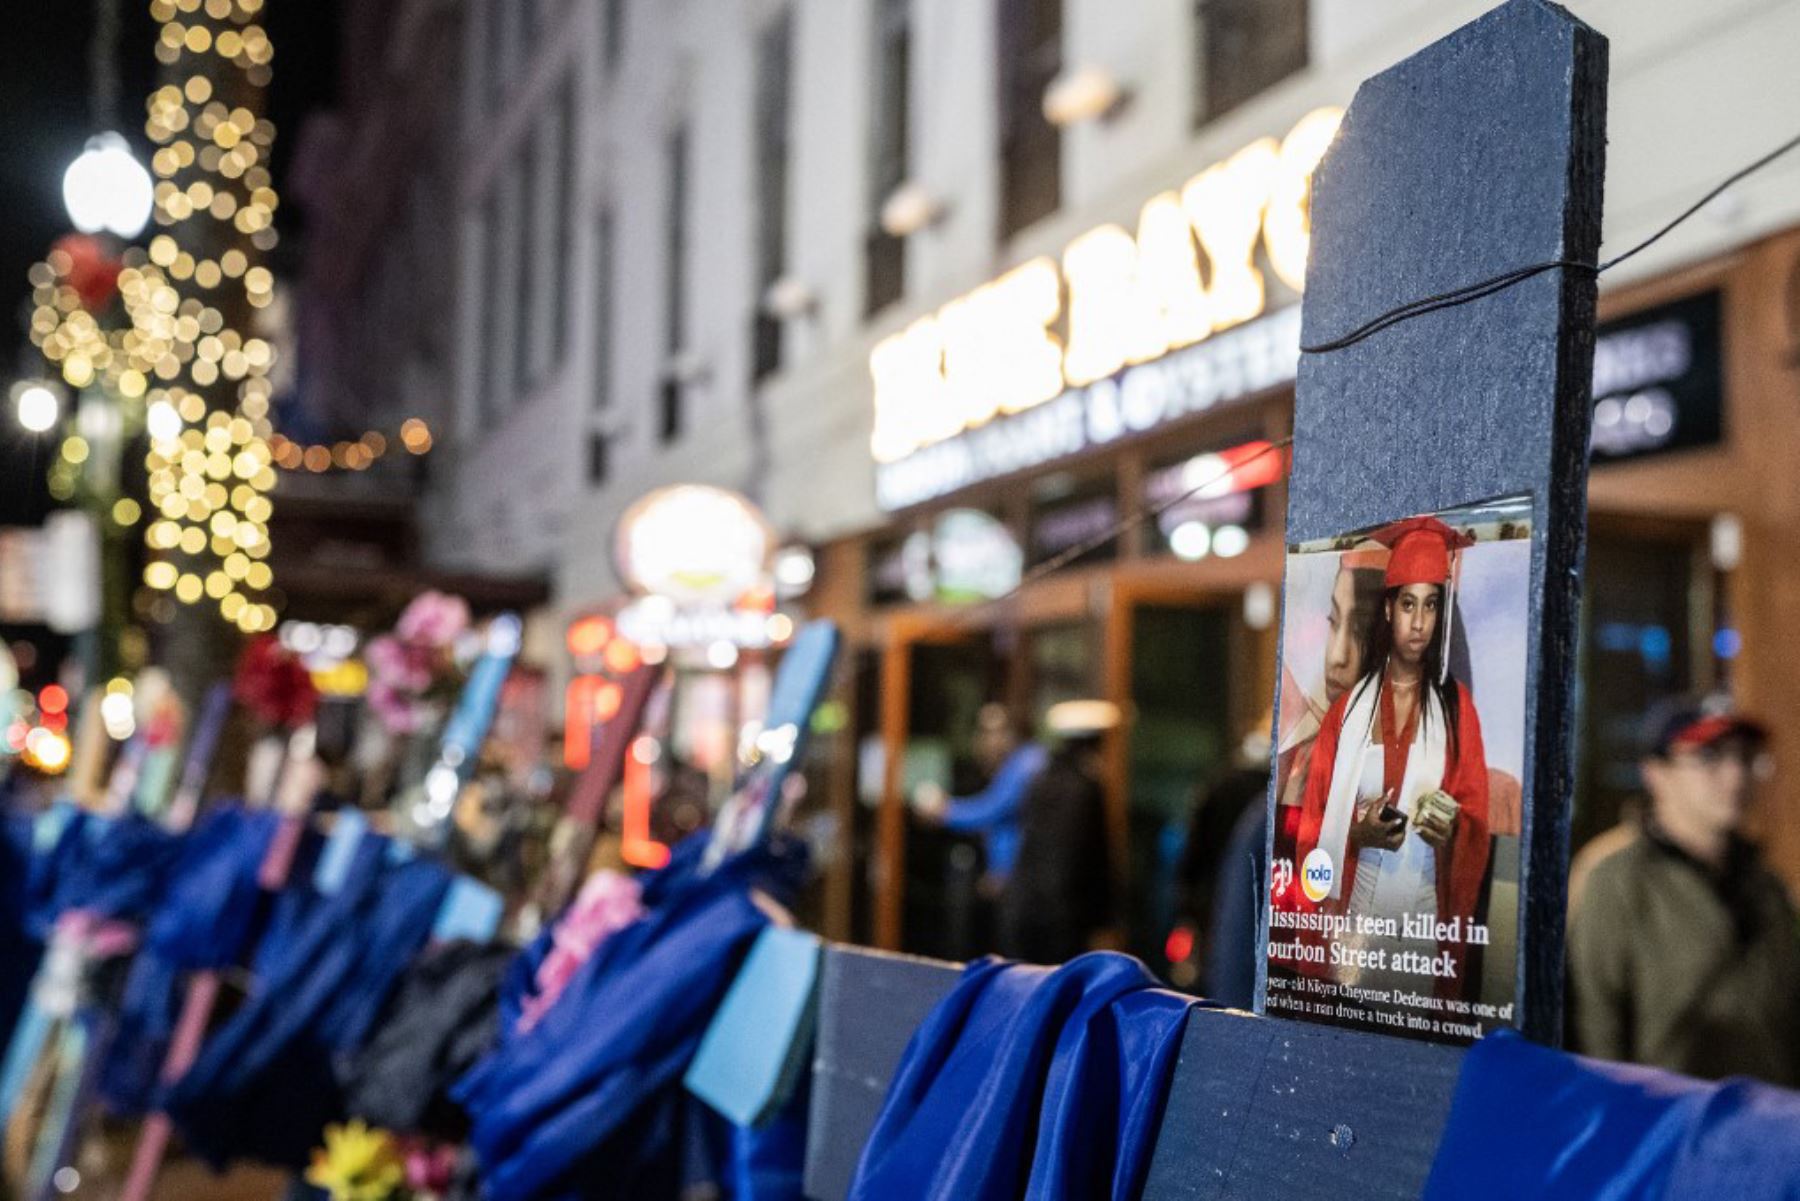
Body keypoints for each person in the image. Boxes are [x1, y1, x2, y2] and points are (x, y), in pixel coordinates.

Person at [1293, 515, 1491, 996]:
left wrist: (1453, 828)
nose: (1418, 622)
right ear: (1387, 611)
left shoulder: (1455, 708)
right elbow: (1313, 826)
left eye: (1430, 605)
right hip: (1351, 926)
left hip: (1421, 927)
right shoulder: (1346, 713)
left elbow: (1476, 818)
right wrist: (1355, 833)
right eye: (1407, 604)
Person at [1568, 701, 1800, 1085]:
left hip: (1769, 1125)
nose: (1735, 774)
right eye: (1709, 757)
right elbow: (1595, 1029)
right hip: (1673, 1127)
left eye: (1744, 757)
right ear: (1656, 773)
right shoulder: (1617, 881)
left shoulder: (1765, 882)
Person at [1273, 546, 1390, 869]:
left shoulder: (1427, 762)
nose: (1337, 655)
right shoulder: (1298, 760)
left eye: (1359, 631)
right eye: (1334, 622)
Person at [999, 700, 1118, 964]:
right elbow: (1090, 858)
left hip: (1022, 912)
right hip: (1062, 919)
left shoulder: (1040, 780)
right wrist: (1103, 920)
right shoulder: (1085, 789)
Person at [913, 704, 1047, 890]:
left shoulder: (1027, 762)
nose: (992, 740)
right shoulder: (996, 766)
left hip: (1022, 876)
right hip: (1001, 872)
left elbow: (992, 809)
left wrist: (944, 810)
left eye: (999, 731)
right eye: (985, 732)